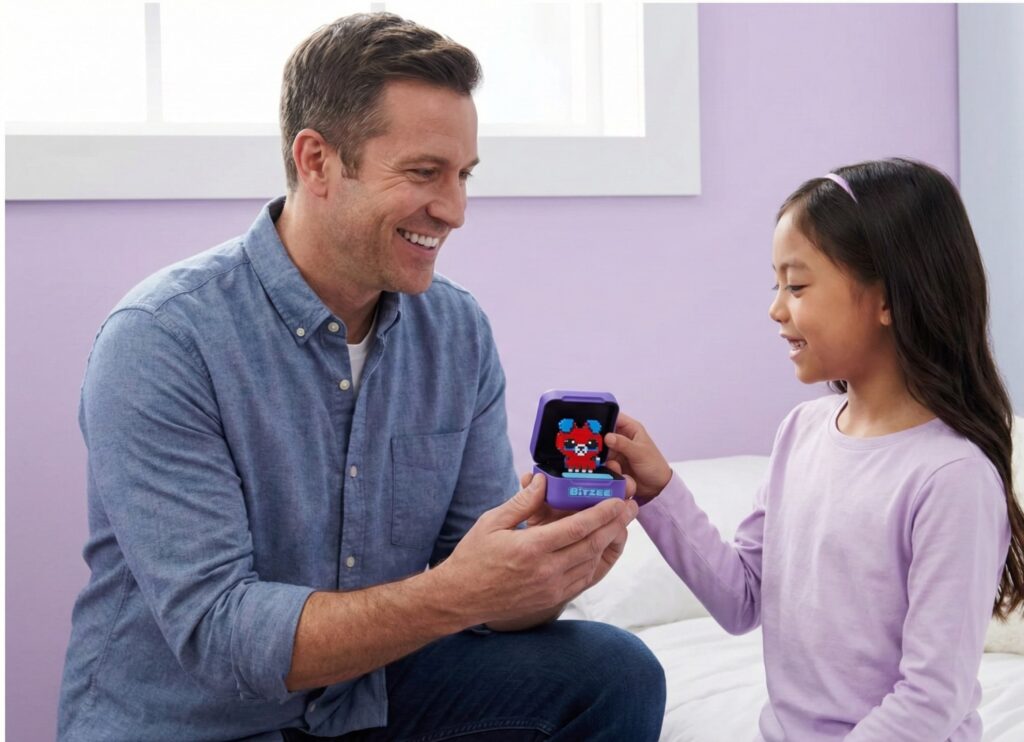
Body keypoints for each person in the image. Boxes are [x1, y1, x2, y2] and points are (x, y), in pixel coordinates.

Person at [58, 13, 665, 742]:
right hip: (197, 720)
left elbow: (473, 589)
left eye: (464, 175)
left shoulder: (456, 333)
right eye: (423, 172)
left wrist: (549, 567)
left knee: (614, 672)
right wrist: (457, 591)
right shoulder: (162, 340)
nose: (455, 210)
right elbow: (219, 632)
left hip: (366, 698)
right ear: (316, 161)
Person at [604, 158, 1024, 741]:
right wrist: (658, 489)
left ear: (888, 299)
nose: (776, 309)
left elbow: (931, 700)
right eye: (776, 285)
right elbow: (740, 599)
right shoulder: (800, 432)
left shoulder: (951, 477)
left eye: (796, 286)